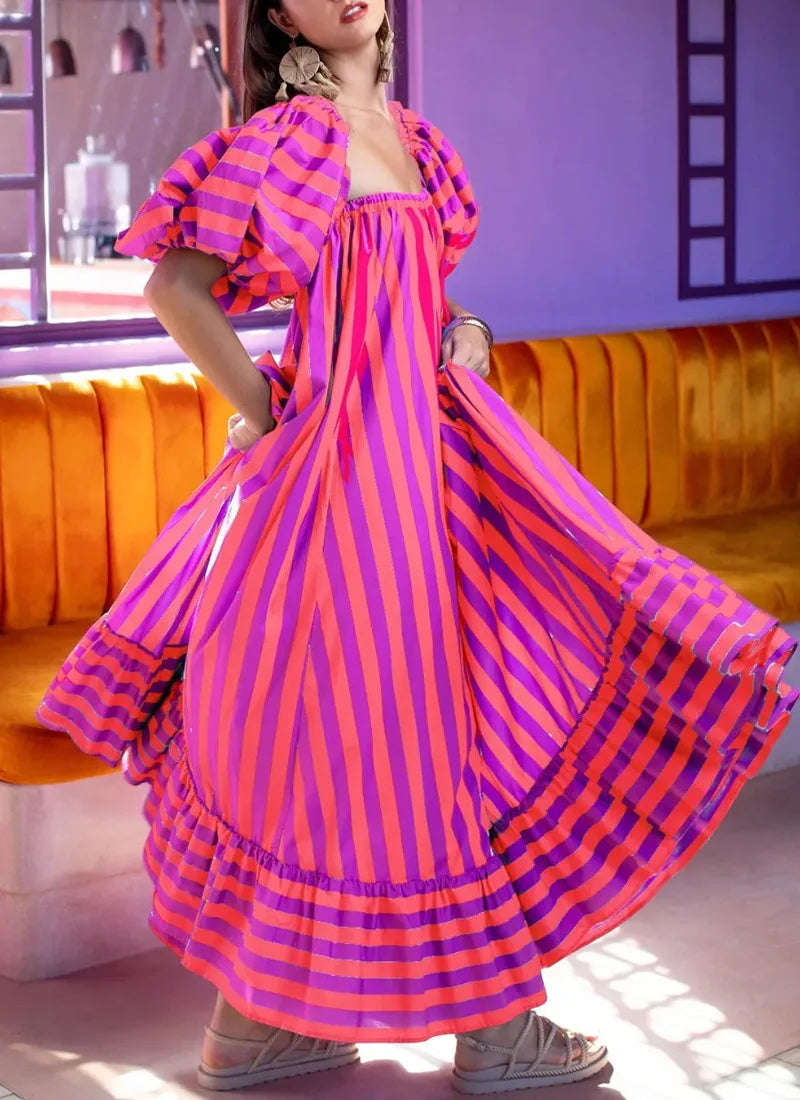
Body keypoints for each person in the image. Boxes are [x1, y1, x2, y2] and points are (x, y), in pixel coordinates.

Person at [38, 0, 798, 1094]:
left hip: (429, 455)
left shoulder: (415, 141)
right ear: (276, 15)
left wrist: (462, 332)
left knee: (433, 719)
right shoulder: (290, 137)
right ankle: (480, 1027)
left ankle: (261, 1025)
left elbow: (410, 297)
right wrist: (275, 408)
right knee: (393, 736)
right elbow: (174, 286)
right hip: (344, 476)